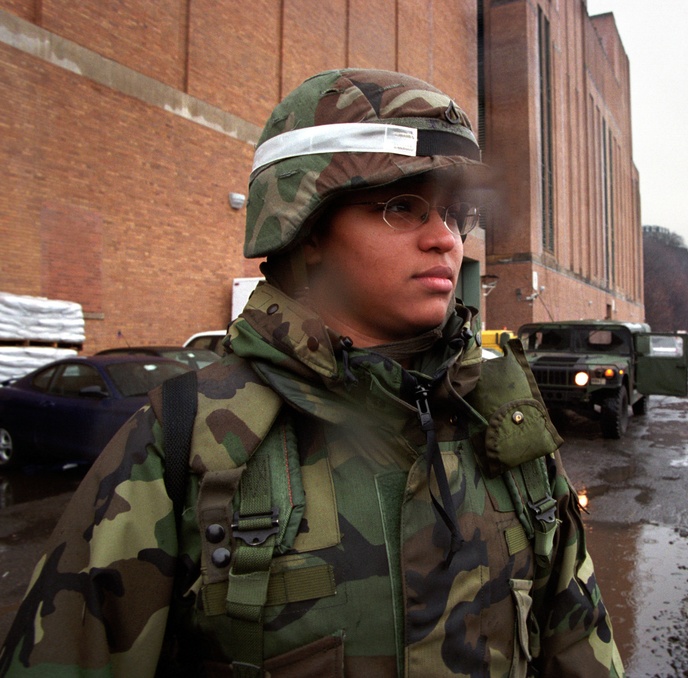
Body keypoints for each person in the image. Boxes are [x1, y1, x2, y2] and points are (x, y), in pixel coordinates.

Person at [0, 68, 623, 677]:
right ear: (308, 226)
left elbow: (578, 647)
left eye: (455, 212)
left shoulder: (503, 422)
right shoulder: (187, 443)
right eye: (403, 206)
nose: (446, 239)